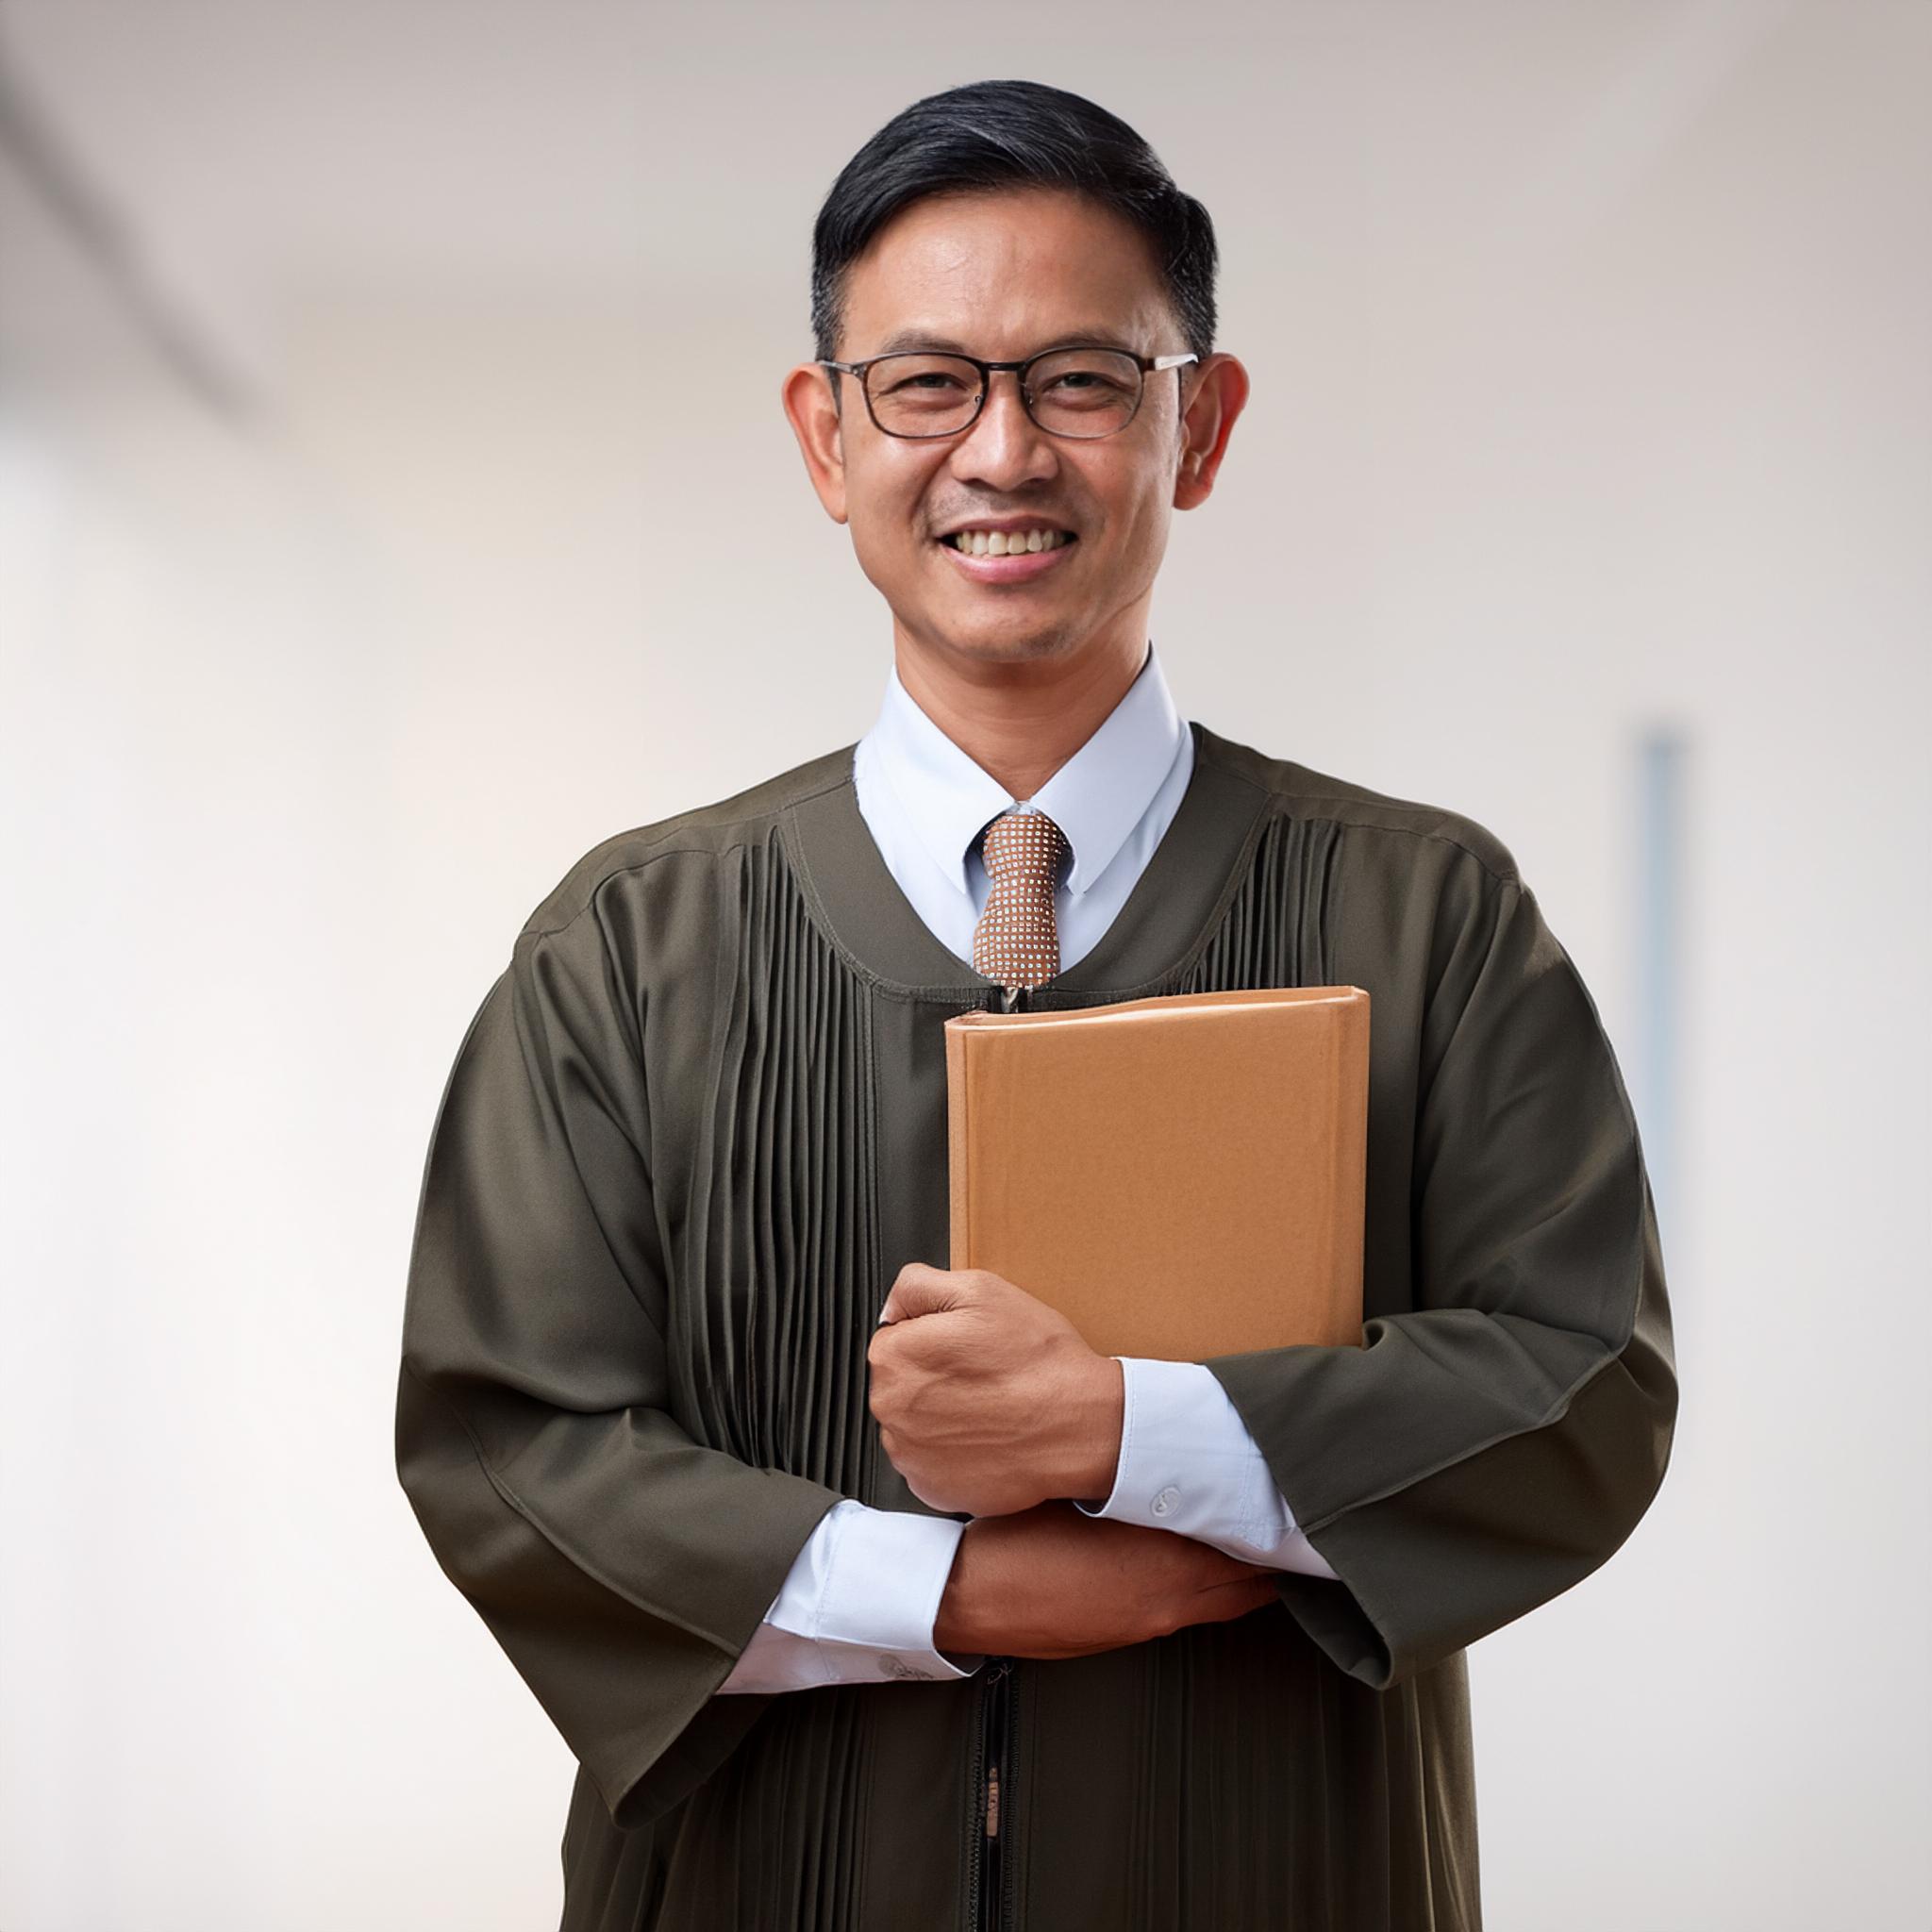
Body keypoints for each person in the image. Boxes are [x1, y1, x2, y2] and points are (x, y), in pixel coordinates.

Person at [394, 77, 1677, 1932]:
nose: (1001, 450)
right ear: (825, 438)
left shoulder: (1425, 911)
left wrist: (1120, 1429)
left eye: (1081, 378)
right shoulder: (627, 943)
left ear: (1201, 423)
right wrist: (943, 1593)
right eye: (927, 384)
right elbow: (510, 1448)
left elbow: (1581, 1384)